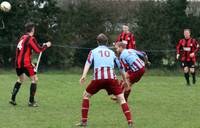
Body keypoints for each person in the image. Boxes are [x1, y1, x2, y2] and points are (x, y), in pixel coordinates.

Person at [76, 33, 134, 128]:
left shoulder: (93, 51)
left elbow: (88, 63)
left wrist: (84, 75)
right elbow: (120, 67)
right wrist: (125, 81)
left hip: (98, 79)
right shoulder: (112, 53)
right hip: (111, 79)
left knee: (86, 96)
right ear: (106, 42)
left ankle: (84, 122)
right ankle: (130, 122)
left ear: (97, 42)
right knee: (122, 99)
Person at [9, 22, 51, 107]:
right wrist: (46, 45)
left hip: (18, 63)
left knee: (20, 79)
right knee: (34, 79)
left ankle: (12, 99)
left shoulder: (22, 37)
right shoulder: (31, 38)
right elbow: (38, 50)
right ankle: (31, 102)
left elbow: (25, 50)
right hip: (25, 63)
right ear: (33, 29)